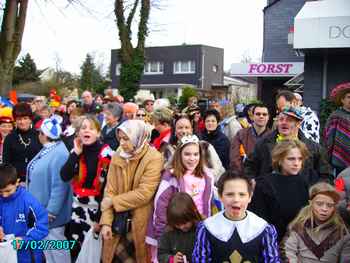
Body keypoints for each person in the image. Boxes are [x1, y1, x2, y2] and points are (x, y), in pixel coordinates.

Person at [99, 120, 163, 263]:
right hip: (117, 224)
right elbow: (110, 190)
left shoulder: (154, 157)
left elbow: (144, 194)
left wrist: (113, 202)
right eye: (120, 138)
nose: (121, 143)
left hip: (140, 224)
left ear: (138, 137)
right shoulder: (118, 154)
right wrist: (106, 223)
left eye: (126, 138)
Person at [146, 134, 214, 258]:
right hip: (177, 228)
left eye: (196, 154)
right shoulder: (172, 176)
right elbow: (160, 205)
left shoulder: (206, 176)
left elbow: (208, 204)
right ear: (179, 155)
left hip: (197, 228)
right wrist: (162, 234)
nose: (192, 158)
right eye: (187, 154)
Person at [192, 170, 281, 262]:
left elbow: (272, 260)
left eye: (242, 194)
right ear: (220, 196)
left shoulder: (263, 229)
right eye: (230, 194)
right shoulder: (207, 228)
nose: (236, 200)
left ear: (250, 197)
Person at [60, 116, 113, 259]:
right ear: (78, 132)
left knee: (92, 255)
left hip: (96, 209)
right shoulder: (77, 149)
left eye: (91, 128)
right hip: (76, 210)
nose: (86, 131)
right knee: (75, 252)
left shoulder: (107, 153)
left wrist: (99, 219)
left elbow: (108, 188)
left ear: (98, 133)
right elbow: (64, 175)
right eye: (83, 128)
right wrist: (75, 154)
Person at [244, 107, 331, 185]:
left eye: (289, 120)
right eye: (281, 119)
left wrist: (316, 191)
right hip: (270, 195)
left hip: (303, 197)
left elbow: (326, 175)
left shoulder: (313, 148)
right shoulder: (263, 143)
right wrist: (253, 182)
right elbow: (249, 167)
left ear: (298, 124)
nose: (283, 123)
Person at [26, 115, 72, 262]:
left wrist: (51, 211)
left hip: (50, 213)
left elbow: (60, 185)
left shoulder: (59, 153)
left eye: (39, 132)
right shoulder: (50, 149)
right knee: (48, 248)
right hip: (41, 210)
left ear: (44, 135)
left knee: (57, 248)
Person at [249, 140, 310, 241]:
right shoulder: (264, 184)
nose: (296, 163)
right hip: (271, 241)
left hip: (298, 242)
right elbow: (259, 220)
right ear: (279, 160)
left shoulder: (302, 182)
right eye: (291, 159)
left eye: (300, 159)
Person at [281, 182, 350, 262]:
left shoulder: (342, 232)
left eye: (329, 205)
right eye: (319, 204)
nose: (324, 209)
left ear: (334, 207)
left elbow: (346, 259)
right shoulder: (298, 227)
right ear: (311, 203)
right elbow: (287, 251)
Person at [0, 164, 48, 263]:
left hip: (28, 256)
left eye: (8, 191)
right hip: (6, 254)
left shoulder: (29, 201)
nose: (4, 195)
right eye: (0, 192)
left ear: (17, 182)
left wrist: (23, 240)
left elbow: (42, 227)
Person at [3, 102, 42, 182]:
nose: (22, 122)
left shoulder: (39, 135)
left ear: (30, 119)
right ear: (15, 120)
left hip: (37, 180)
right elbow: (6, 164)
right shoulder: (10, 138)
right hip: (16, 182)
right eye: (19, 119)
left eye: (25, 118)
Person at [158, 192, 202, 263]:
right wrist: (172, 259)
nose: (182, 227)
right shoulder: (168, 232)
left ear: (193, 214)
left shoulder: (201, 230)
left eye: (185, 222)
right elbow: (161, 254)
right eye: (177, 224)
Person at [230, 104, 270, 173]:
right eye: (258, 114)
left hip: (265, 178)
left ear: (268, 117)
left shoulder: (273, 136)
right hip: (243, 177)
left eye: (264, 114)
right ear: (252, 116)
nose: (261, 116)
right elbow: (235, 158)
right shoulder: (240, 134)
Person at [324, 82, 350, 176]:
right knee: (340, 184)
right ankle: (339, 190)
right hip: (340, 157)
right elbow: (328, 136)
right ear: (342, 99)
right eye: (348, 97)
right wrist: (329, 153)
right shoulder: (336, 115)